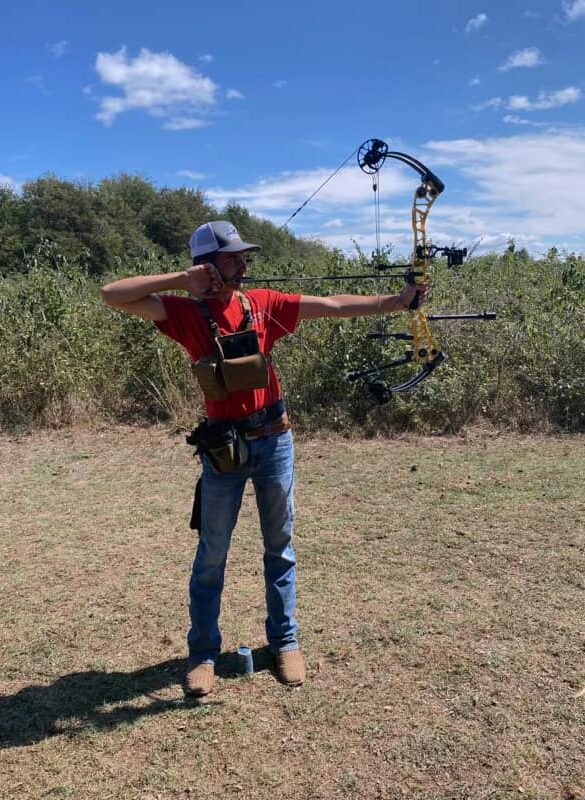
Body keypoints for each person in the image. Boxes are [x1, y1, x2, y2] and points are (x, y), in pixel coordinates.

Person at [101, 220, 428, 697]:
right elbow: (112, 294)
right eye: (232, 257)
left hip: (274, 440)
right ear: (206, 265)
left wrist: (398, 302)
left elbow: (334, 306)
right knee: (211, 554)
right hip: (223, 448)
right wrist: (179, 280)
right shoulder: (183, 312)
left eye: (241, 257)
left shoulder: (263, 303)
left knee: (281, 546)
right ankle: (203, 654)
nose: (243, 264)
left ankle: (285, 642)